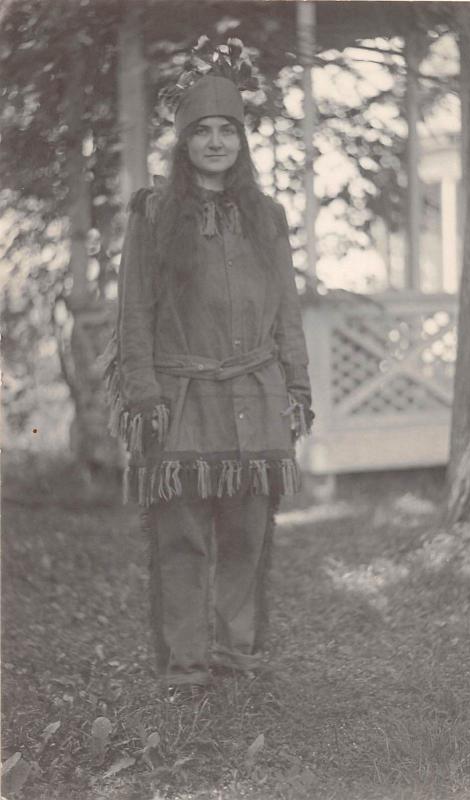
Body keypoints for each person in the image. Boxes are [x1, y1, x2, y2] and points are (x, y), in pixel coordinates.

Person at [104, 41, 313, 697]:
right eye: (203, 131)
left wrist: (298, 388)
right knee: (183, 533)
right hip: (180, 395)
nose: (216, 142)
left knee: (248, 529)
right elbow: (134, 309)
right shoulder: (153, 213)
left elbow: (287, 310)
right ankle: (186, 661)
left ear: (242, 142)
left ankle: (237, 649)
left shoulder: (267, 216)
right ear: (184, 141)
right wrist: (141, 394)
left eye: (227, 131)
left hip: (255, 388)